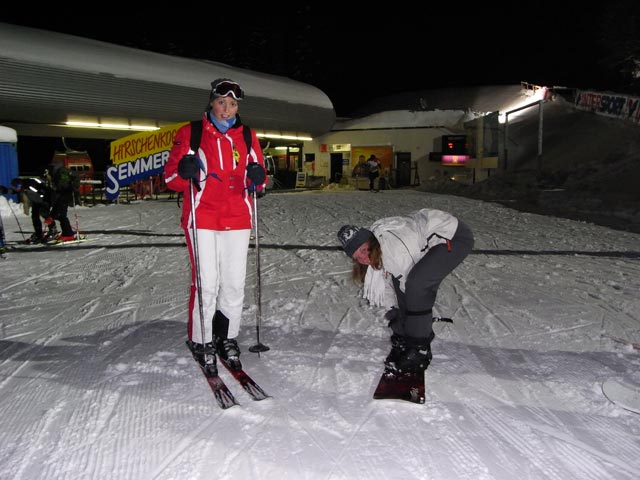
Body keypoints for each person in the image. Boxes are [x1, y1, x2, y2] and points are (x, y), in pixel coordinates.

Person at [163, 78, 267, 375]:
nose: (227, 109)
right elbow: (171, 180)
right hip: (203, 217)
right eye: (222, 102)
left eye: (232, 104)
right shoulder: (191, 133)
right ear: (211, 102)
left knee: (234, 283)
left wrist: (258, 176)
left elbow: (259, 183)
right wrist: (184, 172)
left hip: (237, 218)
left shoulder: (247, 135)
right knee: (207, 283)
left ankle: (227, 336)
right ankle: (202, 340)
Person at [337, 208, 474, 374]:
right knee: (402, 284)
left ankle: (419, 349)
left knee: (417, 285)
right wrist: (397, 322)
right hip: (428, 238)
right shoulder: (378, 252)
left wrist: (413, 335)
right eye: (358, 257)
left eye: (364, 250)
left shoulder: (392, 247)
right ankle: (408, 338)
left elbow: (411, 288)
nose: (364, 258)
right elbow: (389, 284)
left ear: (370, 241)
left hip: (453, 235)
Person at [10, 177, 59, 244]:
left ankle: (53, 231)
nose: (17, 189)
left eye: (17, 187)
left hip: (45, 200)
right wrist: (4, 190)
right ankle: (39, 234)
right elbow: (14, 191)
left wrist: (45, 202)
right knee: (34, 216)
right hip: (37, 201)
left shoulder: (30, 185)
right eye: (15, 187)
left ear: (20, 184)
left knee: (45, 214)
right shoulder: (23, 187)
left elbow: (44, 191)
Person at [45, 159, 78, 242]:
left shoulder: (62, 171)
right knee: (58, 214)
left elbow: (75, 176)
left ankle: (69, 234)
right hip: (61, 194)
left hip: (66, 194)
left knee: (62, 214)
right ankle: (66, 232)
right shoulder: (55, 174)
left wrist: (74, 186)